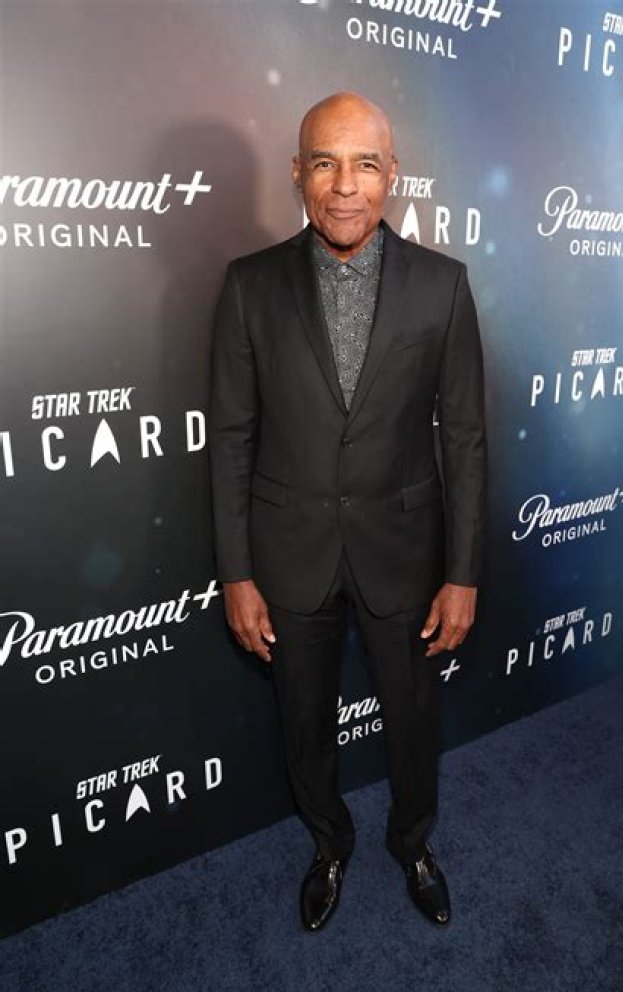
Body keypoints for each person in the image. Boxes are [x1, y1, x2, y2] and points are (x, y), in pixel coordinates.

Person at [209, 91, 486, 932]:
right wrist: (237, 574)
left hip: (404, 551)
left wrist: (463, 574)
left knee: (413, 720)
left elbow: (465, 439)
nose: (344, 185)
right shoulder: (249, 285)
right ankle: (329, 843)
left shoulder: (443, 285)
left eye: (365, 163)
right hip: (288, 556)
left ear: (392, 174)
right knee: (304, 722)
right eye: (325, 163)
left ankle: (413, 842)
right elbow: (231, 439)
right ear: (298, 172)